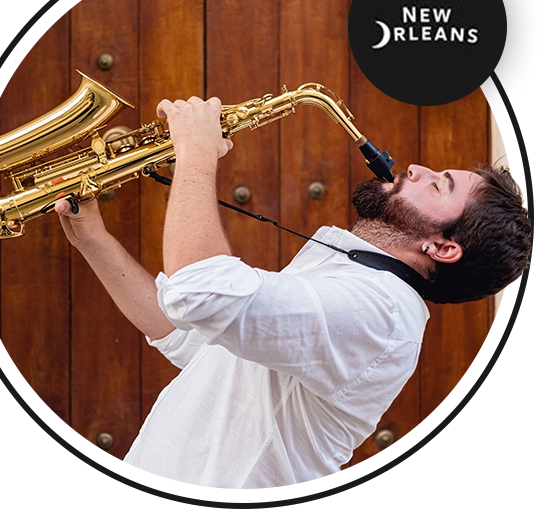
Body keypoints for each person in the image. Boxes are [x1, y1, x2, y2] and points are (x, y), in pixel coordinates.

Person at [55, 95, 531, 489]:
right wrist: (93, 239)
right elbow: (192, 336)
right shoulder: (359, 278)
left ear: (442, 247)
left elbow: (200, 293)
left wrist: (195, 154)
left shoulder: (381, 312)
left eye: (439, 184)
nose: (416, 168)